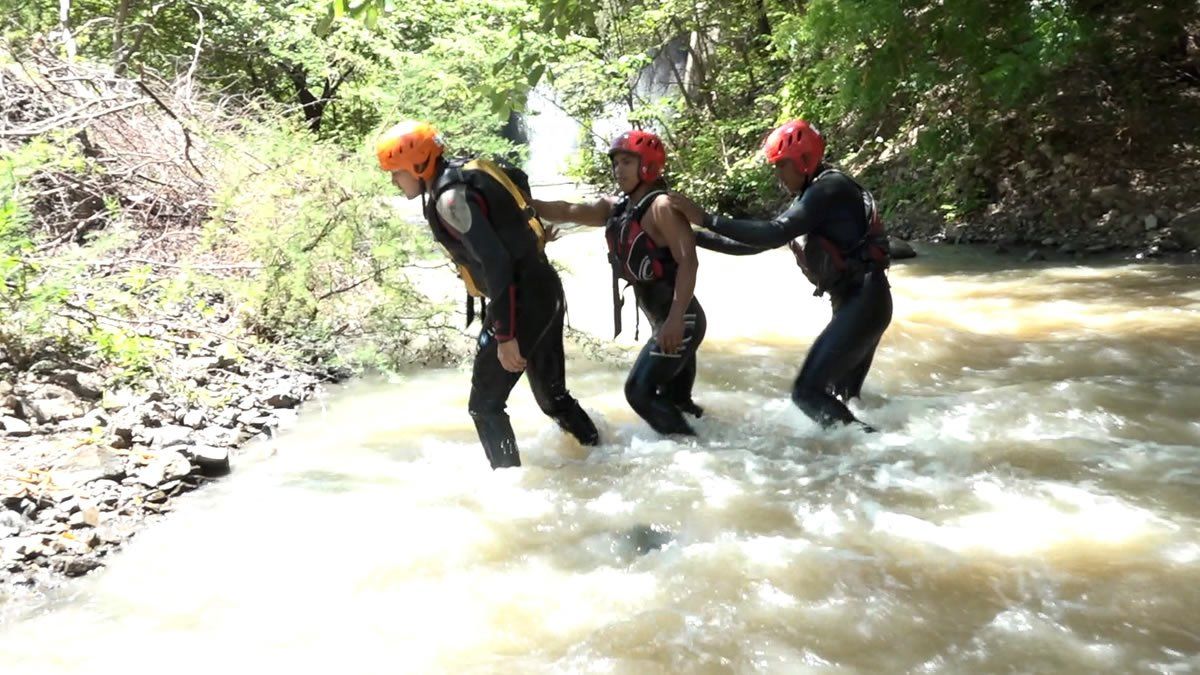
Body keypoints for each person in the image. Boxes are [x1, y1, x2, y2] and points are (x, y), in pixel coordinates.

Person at [375, 120, 599, 468]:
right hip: (545, 289)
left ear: (418, 165)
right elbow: (515, 194)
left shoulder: (449, 199)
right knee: (553, 398)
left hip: (522, 301)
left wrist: (506, 336)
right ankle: (603, 453)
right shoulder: (462, 175)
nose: (393, 180)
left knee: (485, 406)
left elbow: (496, 263)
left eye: (396, 172)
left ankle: (512, 485)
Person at [668, 119, 892, 431]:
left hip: (864, 301)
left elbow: (774, 232)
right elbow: (753, 244)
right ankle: (872, 452)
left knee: (807, 393)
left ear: (804, 160)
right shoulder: (813, 195)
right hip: (863, 302)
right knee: (842, 397)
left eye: (782, 165)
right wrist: (692, 237)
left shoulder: (830, 188)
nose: (778, 174)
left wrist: (705, 218)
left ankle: (877, 445)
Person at [532, 130, 706, 436]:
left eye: (627, 162)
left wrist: (676, 319)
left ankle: (695, 450)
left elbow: (688, 262)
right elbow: (566, 210)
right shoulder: (617, 208)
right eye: (615, 163)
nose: (618, 169)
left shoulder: (662, 207)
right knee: (678, 403)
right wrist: (522, 202)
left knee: (638, 392)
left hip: (681, 321)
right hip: (666, 321)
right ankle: (713, 448)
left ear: (648, 165)